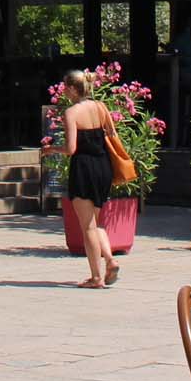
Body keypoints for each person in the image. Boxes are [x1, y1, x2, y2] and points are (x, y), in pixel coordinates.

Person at [60, 69, 120, 288]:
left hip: (84, 168)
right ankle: (110, 260)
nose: (63, 90)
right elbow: (112, 134)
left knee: (87, 227)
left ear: (74, 89)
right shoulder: (101, 107)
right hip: (103, 166)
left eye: (65, 87)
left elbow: (70, 148)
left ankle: (96, 278)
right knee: (95, 223)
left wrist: (51, 149)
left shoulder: (71, 112)